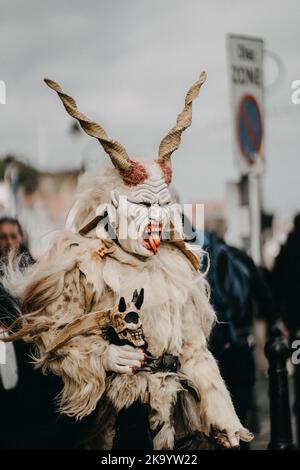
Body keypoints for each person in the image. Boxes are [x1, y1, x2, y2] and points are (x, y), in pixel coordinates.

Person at [2, 73, 253, 450]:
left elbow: (193, 350)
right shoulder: (85, 266)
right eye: (143, 206)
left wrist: (223, 413)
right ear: (115, 210)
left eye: (162, 206)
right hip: (114, 430)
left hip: (174, 426)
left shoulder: (176, 267)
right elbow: (54, 342)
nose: (155, 218)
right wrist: (103, 355)